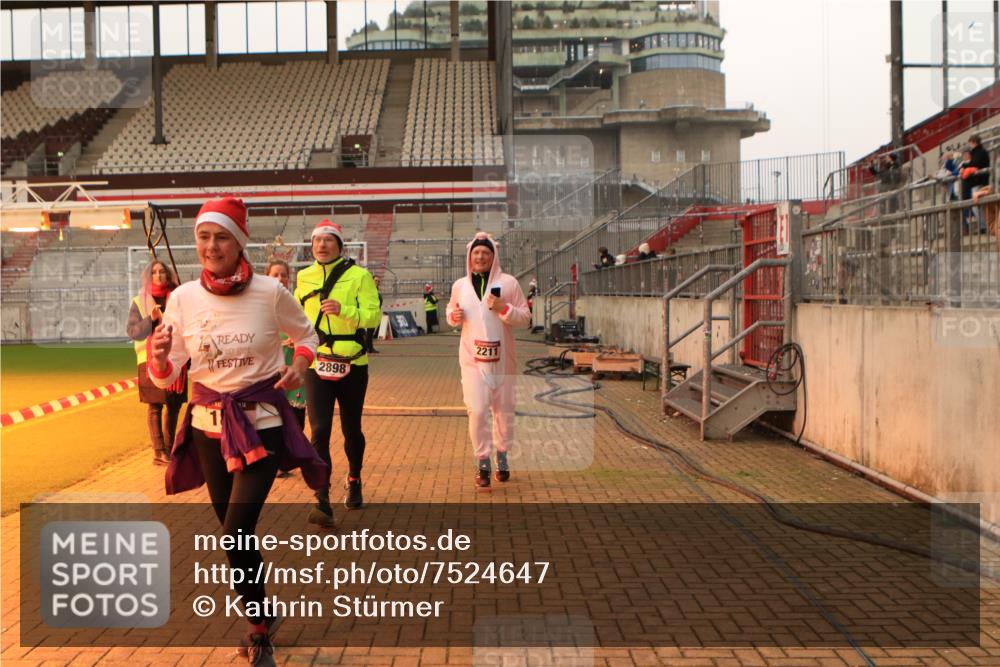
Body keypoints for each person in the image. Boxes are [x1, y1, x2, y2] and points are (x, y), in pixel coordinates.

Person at [147, 197, 328, 666]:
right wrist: (161, 357)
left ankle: (258, 632)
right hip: (207, 430)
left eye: (222, 237)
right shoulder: (183, 298)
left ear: (240, 242)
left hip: (262, 426)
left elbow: (307, 336)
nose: (212, 246)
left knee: (235, 531)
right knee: (235, 537)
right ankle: (262, 612)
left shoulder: (270, 291)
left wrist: (298, 366)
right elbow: (169, 375)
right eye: (204, 237)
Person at [294, 219, 381, 521]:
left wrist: (344, 311)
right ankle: (322, 497)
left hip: (352, 362)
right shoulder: (303, 276)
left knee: (351, 429)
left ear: (340, 246)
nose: (322, 245)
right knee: (318, 429)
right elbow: (297, 315)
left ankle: (354, 478)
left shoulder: (360, 276)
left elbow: (373, 317)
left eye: (329, 240)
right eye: (317, 240)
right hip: (317, 362)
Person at [445, 232, 532, 489]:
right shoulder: (460, 285)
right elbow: (450, 311)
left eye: (485, 253)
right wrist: (453, 316)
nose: (480, 257)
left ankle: (502, 455)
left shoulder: (508, 283)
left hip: (503, 359)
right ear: (469, 256)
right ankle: (483, 461)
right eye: (476, 253)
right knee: (478, 410)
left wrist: (504, 308)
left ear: (494, 257)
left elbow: (525, 317)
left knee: (503, 411)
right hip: (472, 359)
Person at [127, 259, 187, 466]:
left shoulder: (178, 297)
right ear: (148, 276)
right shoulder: (140, 301)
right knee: (155, 406)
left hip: (177, 357)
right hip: (149, 359)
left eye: (162, 271)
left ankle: (169, 448)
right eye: (154, 272)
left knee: (174, 405)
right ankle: (159, 451)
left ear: (168, 274)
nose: (158, 275)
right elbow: (133, 332)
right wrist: (151, 320)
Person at [266, 259, 304, 479]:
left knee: (297, 419)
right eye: (275, 275)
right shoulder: (259, 304)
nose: (280, 279)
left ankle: (289, 459)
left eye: (284, 275)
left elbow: (307, 332)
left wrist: (297, 341)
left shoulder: (296, 302)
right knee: (273, 419)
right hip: (270, 369)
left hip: (294, 366)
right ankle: (273, 462)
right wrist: (281, 342)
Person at [365, 275, 384, 353]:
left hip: (375, 313)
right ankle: (368, 348)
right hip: (369, 312)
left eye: (378, 281)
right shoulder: (369, 289)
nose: (377, 282)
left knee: (371, 331)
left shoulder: (376, 289)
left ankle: (369, 347)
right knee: (369, 332)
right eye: (376, 280)